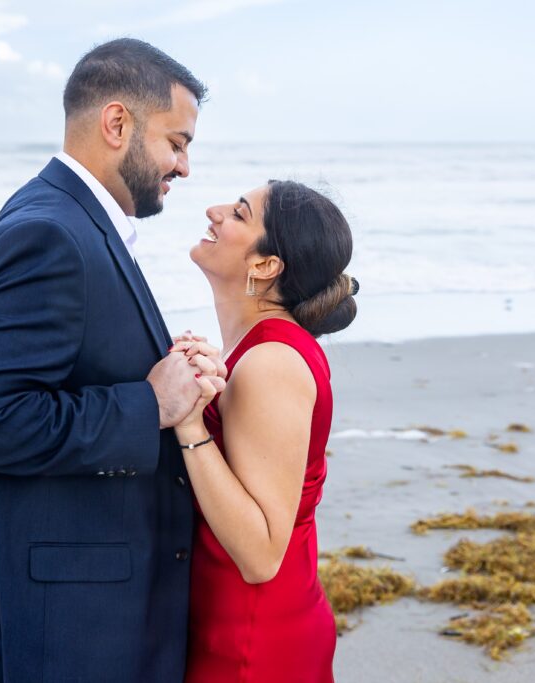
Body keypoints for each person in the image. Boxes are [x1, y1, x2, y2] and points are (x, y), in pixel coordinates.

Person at [0, 39, 226, 683]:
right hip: (61, 623)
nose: (185, 166)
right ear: (118, 124)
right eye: (177, 141)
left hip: (80, 607)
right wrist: (150, 405)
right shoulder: (50, 233)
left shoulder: (76, 218)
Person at [171, 180, 357, 682]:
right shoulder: (257, 349)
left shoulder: (270, 362)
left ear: (265, 265)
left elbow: (259, 554)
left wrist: (188, 421)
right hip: (243, 623)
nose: (212, 212)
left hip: (250, 643)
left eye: (237, 213)